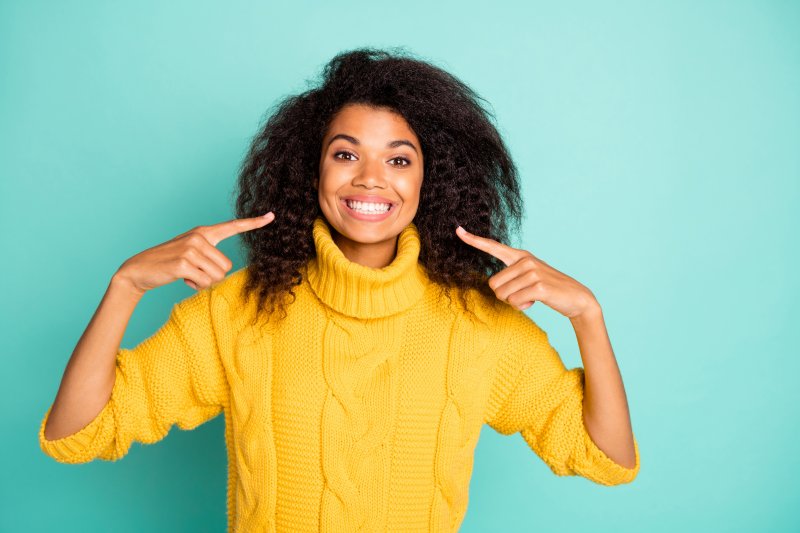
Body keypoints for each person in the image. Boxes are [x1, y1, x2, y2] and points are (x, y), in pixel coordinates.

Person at [39, 46, 640, 532]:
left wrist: (587, 315)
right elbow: (77, 433)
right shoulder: (238, 311)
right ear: (311, 170)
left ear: (433, 179)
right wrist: (125, 286)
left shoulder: (477, 324)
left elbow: (606, 459)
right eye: (345, 153)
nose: (371, 178)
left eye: (399, 160)